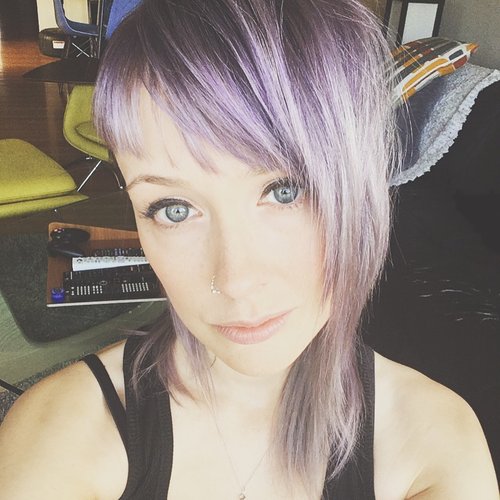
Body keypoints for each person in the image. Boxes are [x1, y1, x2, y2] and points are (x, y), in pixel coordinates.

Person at [0, 0, 498, 498]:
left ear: (362, 186)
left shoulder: (433, 446)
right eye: (174, 209)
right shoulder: (63, 433)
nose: (235, 281)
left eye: (285, 190)